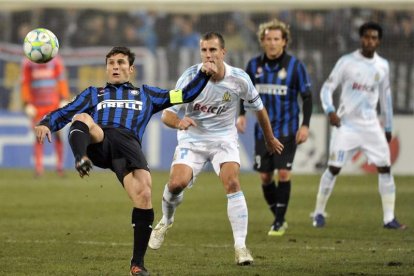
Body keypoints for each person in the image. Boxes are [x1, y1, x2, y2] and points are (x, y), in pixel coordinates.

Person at [34, 46, 217, 276]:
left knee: (144, 195)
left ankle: (137, 264)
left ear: (131, 69)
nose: (115, 67)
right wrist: (46, 123)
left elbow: (184, 95)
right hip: (100, 140)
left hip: (127, 149)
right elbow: (66, 112)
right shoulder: (94, 93)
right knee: (81, 117)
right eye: (111, 63)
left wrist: (204, 74)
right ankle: (81, 158)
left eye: (121, 63)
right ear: (106, 68)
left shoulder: (147, 94)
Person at [148, 32, 284, 265]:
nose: (208, 55)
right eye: (204, 50)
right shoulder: (190, 77)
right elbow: (167, 115)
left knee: (232, 182)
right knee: (176, 183)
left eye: (213, 50)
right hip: (192, 140)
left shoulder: (239, 79)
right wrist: (179, 122)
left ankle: (240, 247)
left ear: (223, 52)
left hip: (224, 140)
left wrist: (270, 138)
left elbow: (259, 109)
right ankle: (166, 221)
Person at [311, 22, 407, 230]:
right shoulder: (346, 62)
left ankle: (389, 218)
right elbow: (327, 88)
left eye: (374, 37)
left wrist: (388, 126)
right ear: (361, 38)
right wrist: (329, 110)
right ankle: (318, 213)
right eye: (366, 37)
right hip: (346, 125)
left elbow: (386, 97)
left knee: (385, 168)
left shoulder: (383, 66)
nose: (370, 41)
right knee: (334, 168)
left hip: (371, 126)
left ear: (379, 41)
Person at [236, 19, 313, 236]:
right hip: (262, 132)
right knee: (265, 178)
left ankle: (279, 221)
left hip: (288, 130)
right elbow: (244, 92)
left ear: (284, 42)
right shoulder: (253, 66)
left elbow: (307, 97)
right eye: (268, 39)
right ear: (262, 41)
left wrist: (305, 125)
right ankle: (278, 216)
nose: (272, 43)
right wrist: (241, 115)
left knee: (284, 173)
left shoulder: (296, 66)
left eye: (276, 39)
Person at [21, 54, 70, 176]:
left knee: (59, 135)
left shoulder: (56, 61)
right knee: (39, 136)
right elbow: (25, 83)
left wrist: (64, 98)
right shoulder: (28, 63)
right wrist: (27, 103)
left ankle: (60, 167)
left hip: (53, 106)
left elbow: (61, 80)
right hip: (37, 107)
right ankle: (39, 168)